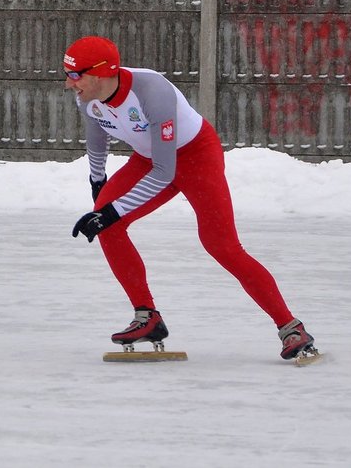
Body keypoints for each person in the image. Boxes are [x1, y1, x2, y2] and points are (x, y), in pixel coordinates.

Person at [64, 35, 315, 360]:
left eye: (74, 75)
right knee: (107, 225)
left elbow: (165, 172)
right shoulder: (88, 97)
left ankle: (291, 328)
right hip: (148, 159)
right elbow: (96, 136)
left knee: (222, 246)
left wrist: (113, 209)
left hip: (195, 157)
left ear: (100, 71)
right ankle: (147, 317)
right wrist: (98, 183)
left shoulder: (152, 92)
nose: (69, 84)